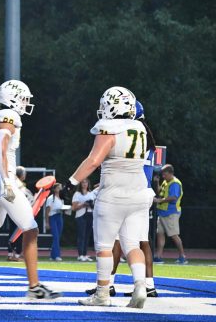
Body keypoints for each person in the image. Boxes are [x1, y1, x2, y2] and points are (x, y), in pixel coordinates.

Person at [0, 80, 61, 301]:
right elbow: (1, 144)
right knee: (31, 229)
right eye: (23, 98)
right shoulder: (10, 116)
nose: (26, 102)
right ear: (13, 97)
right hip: (2, 180)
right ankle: (34, 286)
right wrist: (8, 182)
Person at [65, 86, 150, 309]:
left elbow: (93, 160)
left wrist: (71, 181)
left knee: (104, 245)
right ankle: (140, 285)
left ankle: (102, 293)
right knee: (132, 243)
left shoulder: (108, 127)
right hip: (139, 192)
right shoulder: (140, 127)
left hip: (113, 193)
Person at [85, 100, 160, 298]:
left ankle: (108, 284)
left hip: (129, 191)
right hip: (143, 192)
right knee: (140, 242)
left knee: (115, 241)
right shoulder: (144, 134)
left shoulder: (127, 131)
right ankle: (146, 284)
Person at [154, 164, 187, 264]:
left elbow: (173, 197)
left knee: (173, 235)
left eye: (164, 174)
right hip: (162, 213)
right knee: (160, 234)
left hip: (171, 213)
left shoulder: (175, 183)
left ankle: (182, 257)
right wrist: (156, 183)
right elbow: (159, 192)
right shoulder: (166, 181)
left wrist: (159, 201)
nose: (163, 176)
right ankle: (158, 257)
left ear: (170, 173)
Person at [7, 166, 34, 262]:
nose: (25, 175)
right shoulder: (20, 185)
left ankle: (10, 254)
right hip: (19, 212)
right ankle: (17, 255)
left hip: (11, 211)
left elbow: (9, 197)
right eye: (24, 173)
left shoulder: (12, 183)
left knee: (12, 232)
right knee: (19, 233)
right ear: (21, 175)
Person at [72, 178, 95, 262]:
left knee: (87, 236)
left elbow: (93, 205)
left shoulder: (91, 193)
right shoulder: (77, 194)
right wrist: (83, 204)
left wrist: (91, 204)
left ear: (88, 184)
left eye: (86, 182)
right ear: (80, 184)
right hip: (80, 215)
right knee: (81, 236)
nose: (85, 184)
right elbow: (74, 208)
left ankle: (84, 254)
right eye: (83, 183)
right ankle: (80, 255)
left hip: (90, 215)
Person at [45, 183, 65, 261]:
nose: (60, 189)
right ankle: (57, 255)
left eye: (60, 188)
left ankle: (52, 255)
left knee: (58, 237)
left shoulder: (61, 198)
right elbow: (47, 211)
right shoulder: (51, 198)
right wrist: (47, 222)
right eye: (58, 188)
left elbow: (61, 208)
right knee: (55, 236)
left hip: (59, 217)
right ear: (54, 189)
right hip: (52, 217)